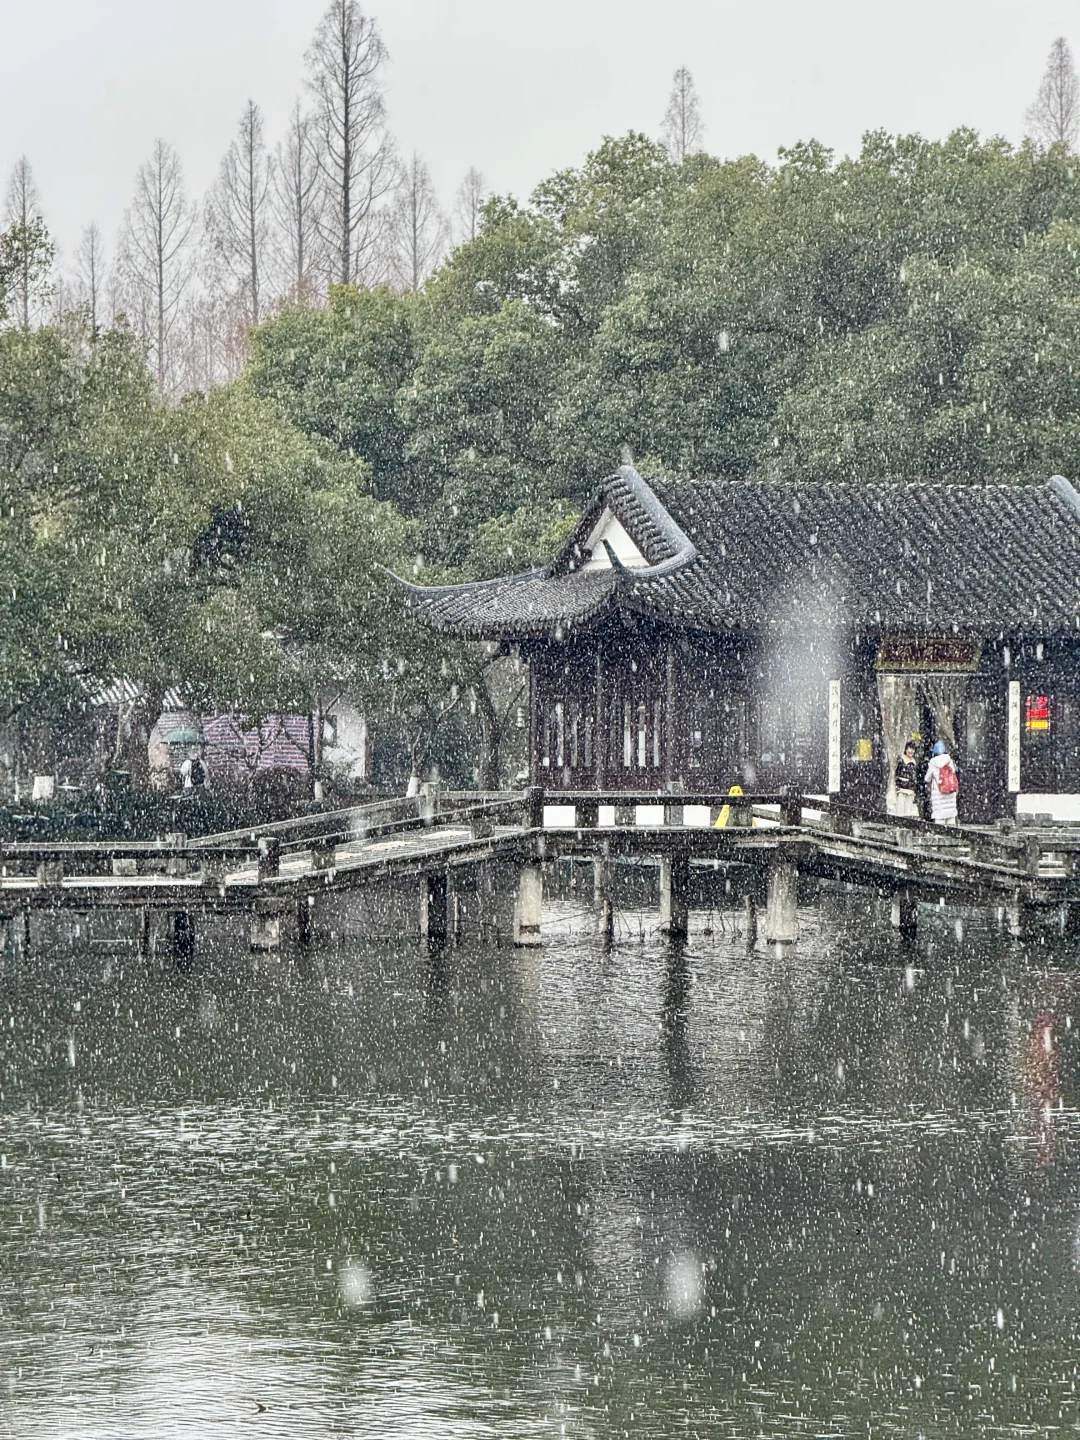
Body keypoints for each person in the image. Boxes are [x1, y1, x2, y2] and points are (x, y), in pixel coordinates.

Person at [925, 739, 959, 826]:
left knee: (940, 821)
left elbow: (927, 779)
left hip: (939, 794)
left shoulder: (932, 763)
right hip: (950, 793)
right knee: (951, 820)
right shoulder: (949, 761)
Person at [894, 740, 919, 818]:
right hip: (901, 789)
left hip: (910, 790)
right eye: (909, 748)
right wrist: (898, 785)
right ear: (906, 749)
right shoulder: (901, 759)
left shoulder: (914, 761)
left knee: (908, 812)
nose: (911, 751)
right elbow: (897, 773)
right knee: (900, 811)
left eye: (913, 749)